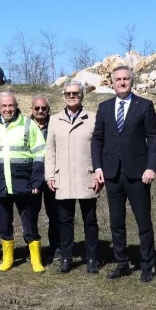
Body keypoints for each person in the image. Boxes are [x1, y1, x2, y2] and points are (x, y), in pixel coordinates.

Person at [92, 66, 156, 282]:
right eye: (118, 79)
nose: (122, 82)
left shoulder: (144, 105)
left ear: (132, 81)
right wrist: (98, 168)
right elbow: (98, 140)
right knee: (116, 221)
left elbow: (153, 138)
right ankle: (122, 263)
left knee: (143, 221)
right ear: (112, 83)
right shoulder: (104, 107)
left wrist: (151, 167)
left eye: (126, 79)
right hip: (112, 173)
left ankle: (148, 264)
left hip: (138, 173)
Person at [0, 90, 47, 273]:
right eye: (4, 106)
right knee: (4, 223)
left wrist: (36, 182)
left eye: (11, 105)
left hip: (24, 184)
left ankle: (36, 259)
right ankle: (8, 258)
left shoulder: (28, 125)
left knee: (30, 222)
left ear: (16, 106)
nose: (8, 109)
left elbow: (40, 154)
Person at [44, 81, 99, 275]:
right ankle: (66, 258)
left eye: (75, 93)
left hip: (87, 177)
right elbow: (50, 150)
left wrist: (99, 172)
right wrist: (49, 175)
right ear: (64, 95)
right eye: (68, 93)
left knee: (90, 220)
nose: (71, 96)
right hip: (63, 178)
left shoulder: (93, 118)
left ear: (82, 95)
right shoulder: (55, 120)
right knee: (65, 220)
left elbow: (100, 148)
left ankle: (92, 258)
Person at [29, 96, 60, 263]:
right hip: (32, 177)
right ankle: (34, 249)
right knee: (31, 214)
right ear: (31, 109)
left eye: (43, 108)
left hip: (53, 176)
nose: (40, 111)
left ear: (48, 109)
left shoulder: (56, 124)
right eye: (37, 108)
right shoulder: (25, 126)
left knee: (55, 213)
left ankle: (56, 248)